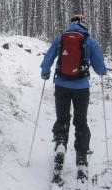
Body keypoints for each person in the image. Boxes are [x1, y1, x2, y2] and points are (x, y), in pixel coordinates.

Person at [40, 14, 107, 173]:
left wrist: (45, 72)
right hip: (82, 88)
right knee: (80, 120)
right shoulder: (90, 41)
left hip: (61, 85)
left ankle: (61, 144)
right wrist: (103, 71)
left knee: (62, 118)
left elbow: (48, 58)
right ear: (84, 24)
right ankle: (82, 155)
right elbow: (99, 69)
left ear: (71, 24)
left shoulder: (61, 39)